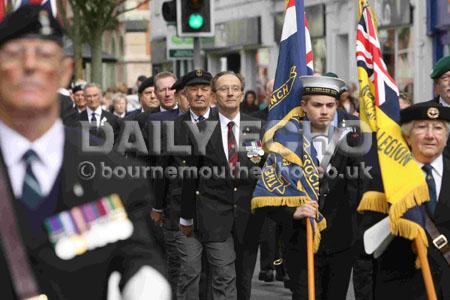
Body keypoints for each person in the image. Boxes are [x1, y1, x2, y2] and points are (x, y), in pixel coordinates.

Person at [0, 5, 170, 299]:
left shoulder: (112, 173)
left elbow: (137, 257)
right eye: (15, 54)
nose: (30, 66)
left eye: (44, 55)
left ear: (65, 71)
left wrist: (145, 285)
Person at [261, 75, 366, 300]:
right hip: (300, 239)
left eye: (330, 105)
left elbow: (361, 186)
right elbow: (268, 192)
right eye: (317, 105)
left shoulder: (353, 138)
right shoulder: (285, 140)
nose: (325, 111)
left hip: (342, 239)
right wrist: (292, 211)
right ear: (304, 106)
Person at [179, 71, 265, 300]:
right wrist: (186, 217)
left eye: (235, 88)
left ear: (241, 93)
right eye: (224, 89)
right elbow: (191, 176)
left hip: (249, 217)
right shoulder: (201, 129)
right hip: (213, 216)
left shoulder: (257, 127)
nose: (230, 93)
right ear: (214, 96)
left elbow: (266, 172)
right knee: (223, 276)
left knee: (243, 279)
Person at [367, 102, 450, 299]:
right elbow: (365, 242)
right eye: (421, 127)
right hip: (400, 288)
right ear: (406, 136)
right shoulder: (385, 177)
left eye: (438, 128)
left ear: (446, 138)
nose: (430, 135)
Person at [152, 69, 216, 299]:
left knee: (215, 272)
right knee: (187, 269)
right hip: (179, 208)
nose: (199, 94)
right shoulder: (173, 128)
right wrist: (158, 207)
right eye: (193, 90)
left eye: (204, 89)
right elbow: (162, 170)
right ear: (186, 95)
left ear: (212, 94)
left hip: (215, 210)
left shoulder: (224, 124)